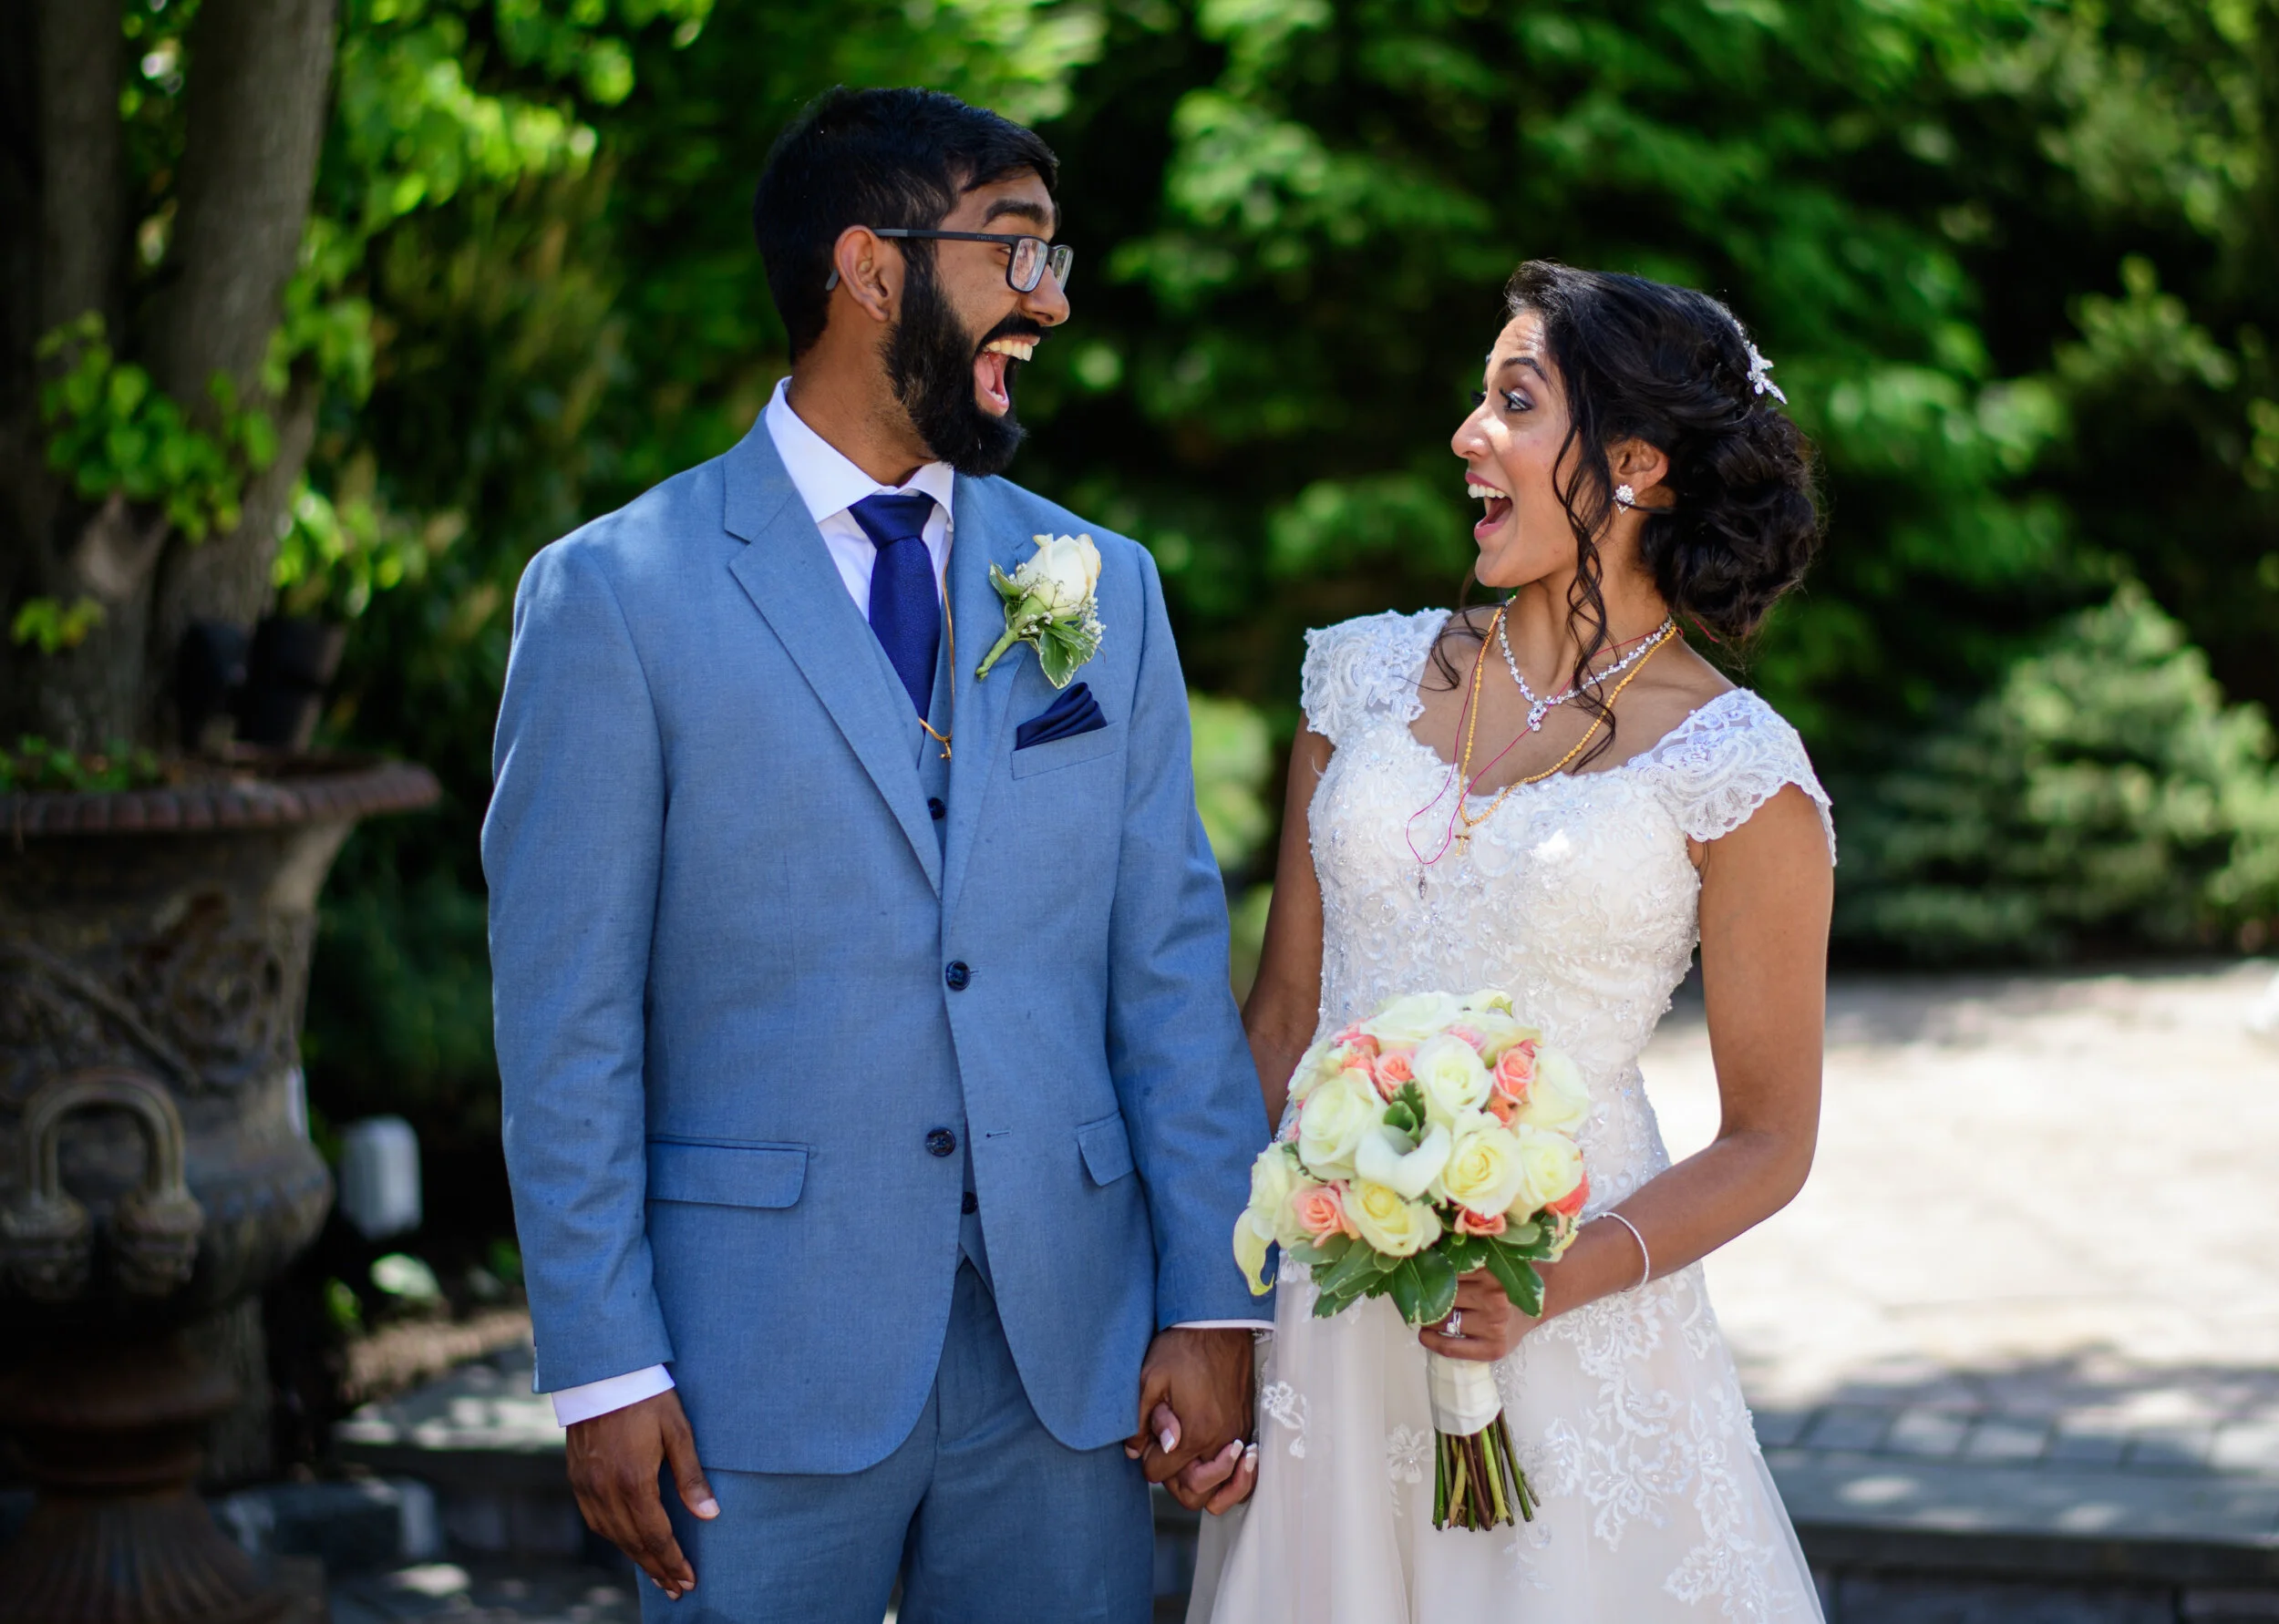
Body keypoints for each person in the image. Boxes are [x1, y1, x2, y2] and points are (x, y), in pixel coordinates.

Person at [483, 86, 1267, 1624]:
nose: (1050, 302)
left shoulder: (1103, 585)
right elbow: (565, 1021)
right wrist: (604, 1360)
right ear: (868, 266)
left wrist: (1211, 1293)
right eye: (1014, 251)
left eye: (1054, 258)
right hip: (751, 1363)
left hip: (1064, 1358)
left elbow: (1168, 975)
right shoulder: (615, 595)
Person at [1191, 262, 1835, 1621]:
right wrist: (1212, 1311)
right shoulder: (1358, 677)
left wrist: (1551, 1283)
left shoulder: (1740, 771)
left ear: (1638, 464)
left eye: (1516, 402)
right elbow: (1285, 1014)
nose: (1466, 435)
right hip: (1333, 1309)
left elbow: (1771, 1138)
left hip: (1570, 1320)